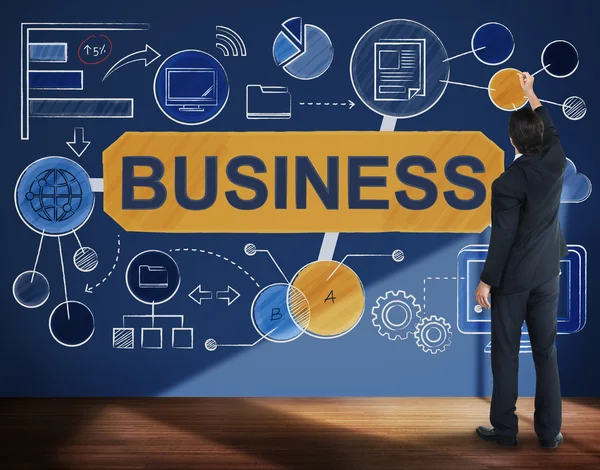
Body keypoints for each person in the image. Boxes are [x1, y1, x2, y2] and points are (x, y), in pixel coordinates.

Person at [474, 72, 568, 449]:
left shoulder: (507, 183)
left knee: (506, 354)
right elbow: (551, 129)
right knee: (546, 353)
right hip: (547, 275)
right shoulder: (556, 161)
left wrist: (486, 280)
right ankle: (549, 433)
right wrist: (532, 94)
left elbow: (503, 239)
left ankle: (506, 430)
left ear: (511, 140)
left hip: (513, 281)